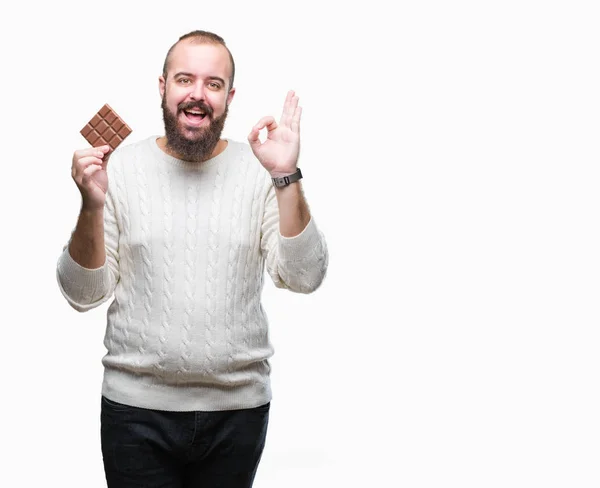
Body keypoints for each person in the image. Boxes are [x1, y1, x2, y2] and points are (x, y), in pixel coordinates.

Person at [56, 29, 328, 488]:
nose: (197, 95)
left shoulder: (260, 171)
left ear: (229, 95)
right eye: (184, 80)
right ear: (162, 87)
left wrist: (285, 176)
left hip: (237, 412)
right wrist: (91, 204)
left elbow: (305, 276)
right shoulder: (118, 169)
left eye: (213, 84)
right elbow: (82, 295)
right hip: (135, 413)